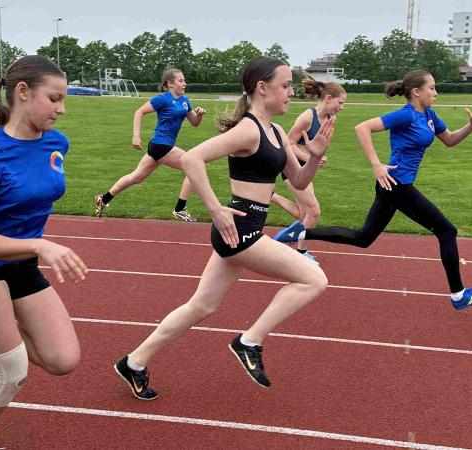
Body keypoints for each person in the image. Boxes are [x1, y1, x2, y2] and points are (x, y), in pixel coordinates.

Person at [113, 56, 335, 400]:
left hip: (240, 230)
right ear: (262, 88)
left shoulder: (276, 132)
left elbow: (298, 180)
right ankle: (250, 341)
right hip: (240, 229)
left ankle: (134, 361)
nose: (292, 92)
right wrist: (215, 209)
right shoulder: (247, 129)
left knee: (201, 306)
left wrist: (316, 156)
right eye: (286, 85)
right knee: (313, 278)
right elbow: (191, 158)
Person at [0, 55, 88, 449]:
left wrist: (33, 245)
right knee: (12, 372)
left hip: (21, 265)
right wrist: (41, 244)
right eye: (54, 99)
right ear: (23, 93)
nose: (61, 109)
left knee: (63, 360)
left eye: (64, 100)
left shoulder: (58, 143)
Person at [280, 70, 472, 310]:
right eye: (432, 88)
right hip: (397, 186)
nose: (435, 93)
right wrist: (376, 164)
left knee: (363, 238)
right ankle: (459, 295)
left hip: (393, 186)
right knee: (447, 231)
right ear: (416, 92)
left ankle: (300, 234)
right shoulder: (405, 116)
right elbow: (363, 128)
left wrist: (471, 126)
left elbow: (450, 140)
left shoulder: (430, 116)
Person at [94, 68, 207, 222]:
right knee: (194, 165)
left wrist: (199, 115)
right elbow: (139, 112)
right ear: (170, 83)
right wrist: (136, 136)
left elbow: (194, 123)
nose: (184, 84)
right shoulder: (162, 99)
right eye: (181, 81)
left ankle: (104, 199)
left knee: (136, 177)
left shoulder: (185, 101)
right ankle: (180, 209)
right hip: (160, 145)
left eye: (184, 80)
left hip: (160, 146)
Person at [271, 75, 346, 264]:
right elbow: (288, 143)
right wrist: (311, 157)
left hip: (306, 169)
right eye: (340, 102)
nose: (342, 107)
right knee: (314, 212)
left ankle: (272, 198)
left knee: (304, 214)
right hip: (292, 167)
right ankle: (301, 254)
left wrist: (315, 157)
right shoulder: (307, 117)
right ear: (328, 99)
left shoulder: (330, 118)